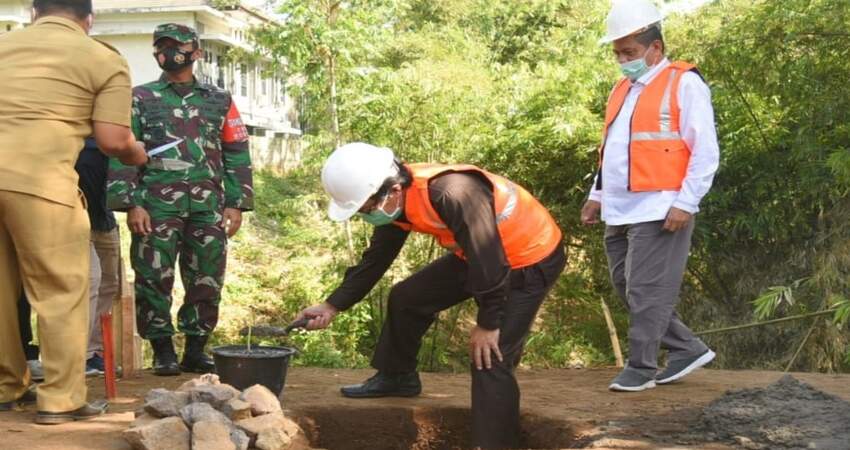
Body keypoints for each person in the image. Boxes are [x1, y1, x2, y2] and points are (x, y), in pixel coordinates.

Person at [295, 143, 566, 449]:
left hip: (530, 259)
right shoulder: (395, 204)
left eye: (366, 208)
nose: (366, 214)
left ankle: (495, 444)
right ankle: (398, 377)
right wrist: (332, 305)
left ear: (392, 190)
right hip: (479, 255)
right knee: (407, 298)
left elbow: (491, 262)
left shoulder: (454, 192)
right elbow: (376, 260)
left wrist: (489, 322)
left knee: (491, 355)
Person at [0, 0, 148, 424]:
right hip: (40, 186)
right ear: (88, 20)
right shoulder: (102, 58)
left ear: (34, 13)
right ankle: (61, 399)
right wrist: (137, 153)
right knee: (61, 291)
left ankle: (7, 388)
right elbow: (112, 140)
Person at [581, 0, 720, 392]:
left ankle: (640, 368)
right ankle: (687, 348)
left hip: (661, 205)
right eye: (618, 54)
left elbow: (705, 150)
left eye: (630, 53)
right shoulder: (621, 89)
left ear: (654, 48)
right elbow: (613, 149)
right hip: (620, 206)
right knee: (625, 285)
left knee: (645, 289)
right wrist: (597, 195)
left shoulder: (684, 82)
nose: (623, 61)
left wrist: (685, 202)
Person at [108, 23, 254, 377]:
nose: (170, 52)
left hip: (208, 207)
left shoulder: (220, 99)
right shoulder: (139, 98)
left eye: (178, 46)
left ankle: (194, 349)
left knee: (207, 278)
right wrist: (131, 203)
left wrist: (236, 203)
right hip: (155, 206)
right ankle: (161, 351)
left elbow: (236, 150)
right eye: (163, 46)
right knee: (152, 278)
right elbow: (122, 152)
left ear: (196, 52)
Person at [77, 138, 122, 377]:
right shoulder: (74, 141)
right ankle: (78, 354)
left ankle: (94, 352)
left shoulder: (114, 141)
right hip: (77, 221)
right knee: (89, 283)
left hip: (106, 220)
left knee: (108, 284)